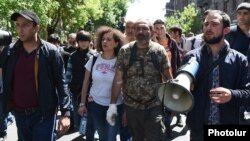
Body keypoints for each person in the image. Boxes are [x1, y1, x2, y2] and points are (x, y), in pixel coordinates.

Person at [0, 10, 72, 141]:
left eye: (25, 25)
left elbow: (62, 83)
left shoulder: (51, 52)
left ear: (36, 27)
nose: (20, 29)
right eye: (18, 25)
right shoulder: (10, 52)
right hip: (19, 114)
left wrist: (66, 112)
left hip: (43, 114)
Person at [183, 9, 250, 141]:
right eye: (206, 24)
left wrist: (232, 94)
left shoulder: (239, 60)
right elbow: (181, 93)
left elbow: (247, 93)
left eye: (214, 24)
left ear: (226, 30)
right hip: (198, 130)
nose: (208, 27)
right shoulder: (190, 57)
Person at [107, 19, 173, 141]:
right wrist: (112, 105)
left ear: (151, 31)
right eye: (137, 29)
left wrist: (173, 101)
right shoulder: (125, 51)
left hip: (154, 106)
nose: (140, 31)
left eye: (144, 28)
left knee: (156, 138)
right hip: (132, 108)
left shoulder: (159, 51)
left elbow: (168, 77)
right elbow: (118, 79)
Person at [78, 26, 127, 141]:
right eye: (103, 39)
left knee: (111, 137)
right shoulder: (94, 59)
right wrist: (82, 103)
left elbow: (125, 86)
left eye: (109, 39)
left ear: (116, 43)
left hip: (115, 106)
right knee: (102, 136)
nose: (105, 41)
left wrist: (125, 109)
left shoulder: (121, 61)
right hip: (96, 105)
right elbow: (85, 82)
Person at [153, 19, 181, 138]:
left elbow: (177, 60)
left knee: (171, 104)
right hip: (157, 80)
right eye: (156, 28)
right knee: (160, 106)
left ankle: (171, 124)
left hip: (171, 77)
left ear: (165, 28)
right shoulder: (151, 43)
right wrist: (154, 41)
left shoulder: (172, 42)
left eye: (161, 28)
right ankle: (165, 128)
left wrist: (178, 74)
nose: (159, 31)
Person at [65, 30, 97, 133]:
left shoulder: (95, 55)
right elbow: (68, 73)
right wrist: (67, 86)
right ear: (77, 41)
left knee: (92, 114)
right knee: (77, 113)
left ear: (89, 41)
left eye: (86, 40)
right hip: (75, 89)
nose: (84, 43)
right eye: (81, 40)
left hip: (92, 90)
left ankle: (91, 133)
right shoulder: (72, 56)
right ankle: (81, 130)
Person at [225, 2, 250, 124]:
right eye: (239, 13)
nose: (242, 16)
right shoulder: (231, 33)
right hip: (236, 77)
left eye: (245, 13)